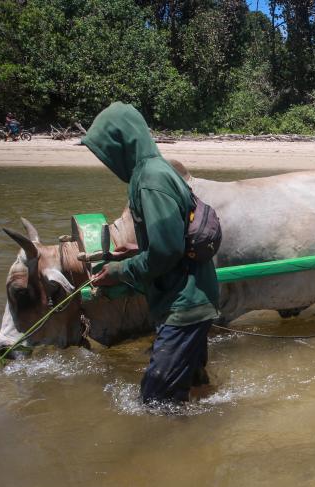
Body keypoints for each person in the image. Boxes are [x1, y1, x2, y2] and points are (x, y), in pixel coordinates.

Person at [83, 102, 219, 406]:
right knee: (193, 393)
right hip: (192, 297)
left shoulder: (151, 180)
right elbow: (172, 238)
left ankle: (176, 452)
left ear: (121, 145)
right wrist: (140, 248)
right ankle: (207, 446)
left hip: (183, 305)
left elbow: (167, 251)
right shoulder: (157, 171)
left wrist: (119, 271)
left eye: (105, 151)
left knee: (156, 403)